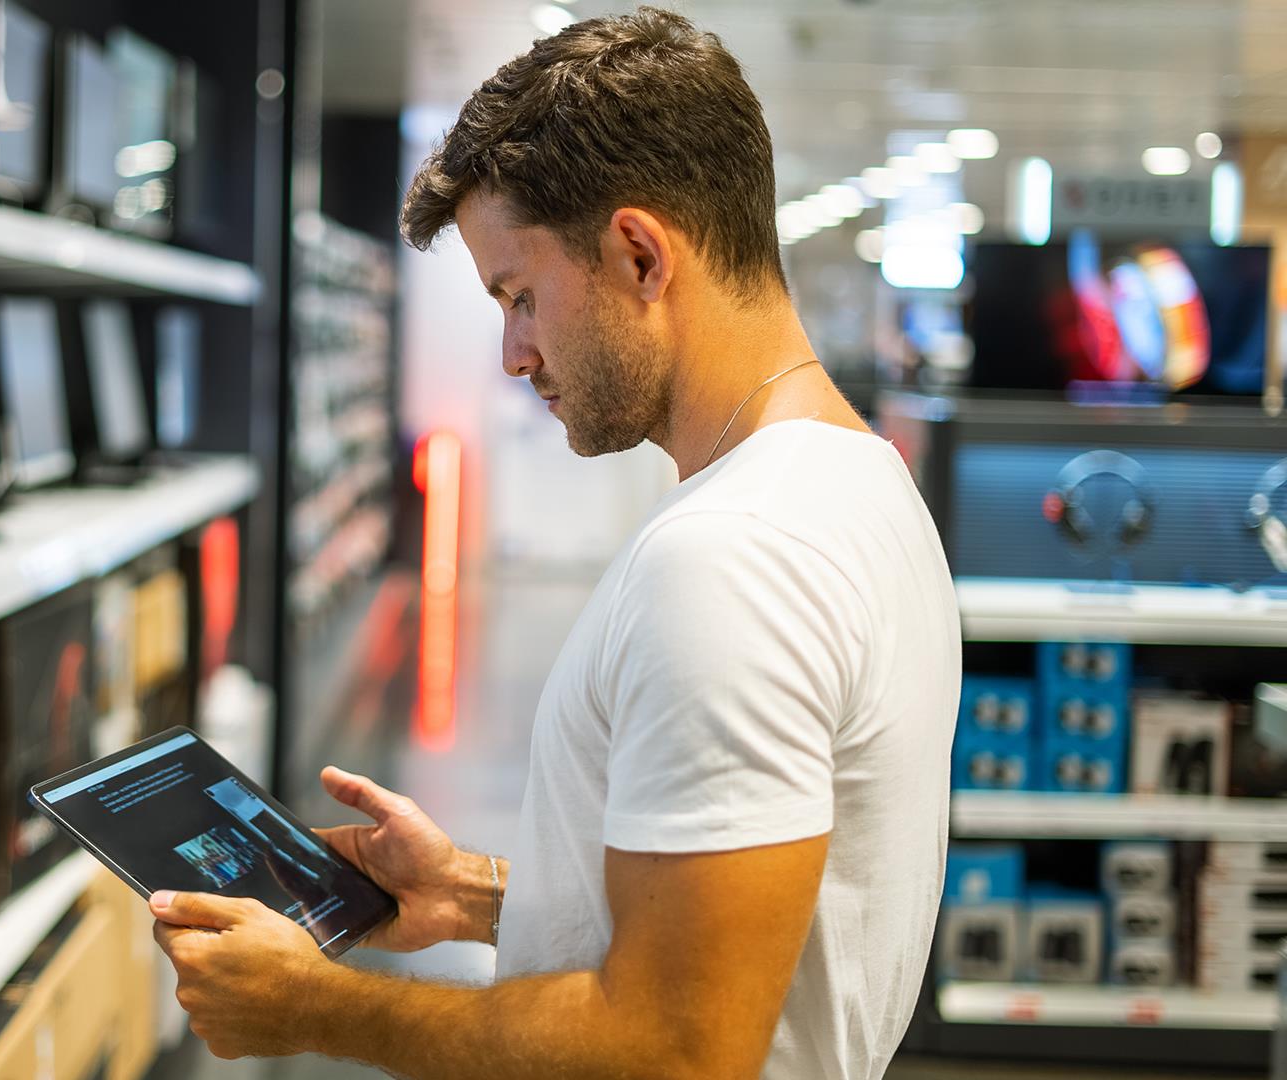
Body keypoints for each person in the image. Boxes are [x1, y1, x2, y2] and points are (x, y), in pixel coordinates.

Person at [147, 7, 962, 1078]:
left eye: (522, 297)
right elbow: (755, 924)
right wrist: (475, 894)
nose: (513, 354)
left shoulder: (732, 559)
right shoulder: (861, 482)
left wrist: (315, 1005)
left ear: (639, 256)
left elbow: (678, 1052)